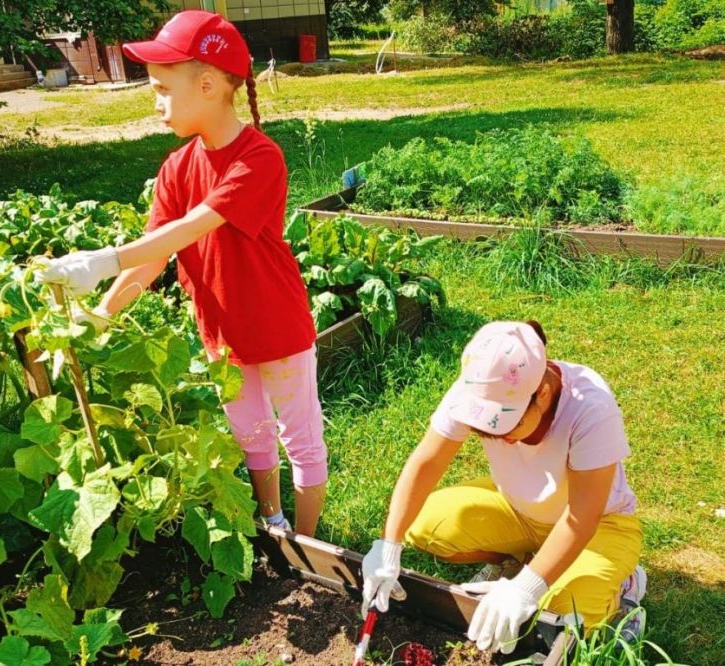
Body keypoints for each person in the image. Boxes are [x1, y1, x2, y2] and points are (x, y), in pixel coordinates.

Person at [33, 10, 327, 536]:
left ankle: (310, 546)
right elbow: (154, 257)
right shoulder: (175, 167)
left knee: (299, 439)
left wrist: (103, 261)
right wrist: (101, 314)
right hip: (221, 332)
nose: (156, 100)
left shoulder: (259, 158)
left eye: (163, 88)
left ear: (209, 85)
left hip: (277, 326)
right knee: (251, 435)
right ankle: (274, 522)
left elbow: (195, 225)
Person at [361, 320, 646, 654]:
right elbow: (427, 461)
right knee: (423, 524)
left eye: (508, 426)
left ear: (541, 394)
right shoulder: (479, 385)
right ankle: (527, 560)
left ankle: (625, 587)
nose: (500, 439)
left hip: (599, 526)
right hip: (518, 509)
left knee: (561, 613)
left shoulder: (590, 407)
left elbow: (582, 516)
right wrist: (388, 544)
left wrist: (526, 589)